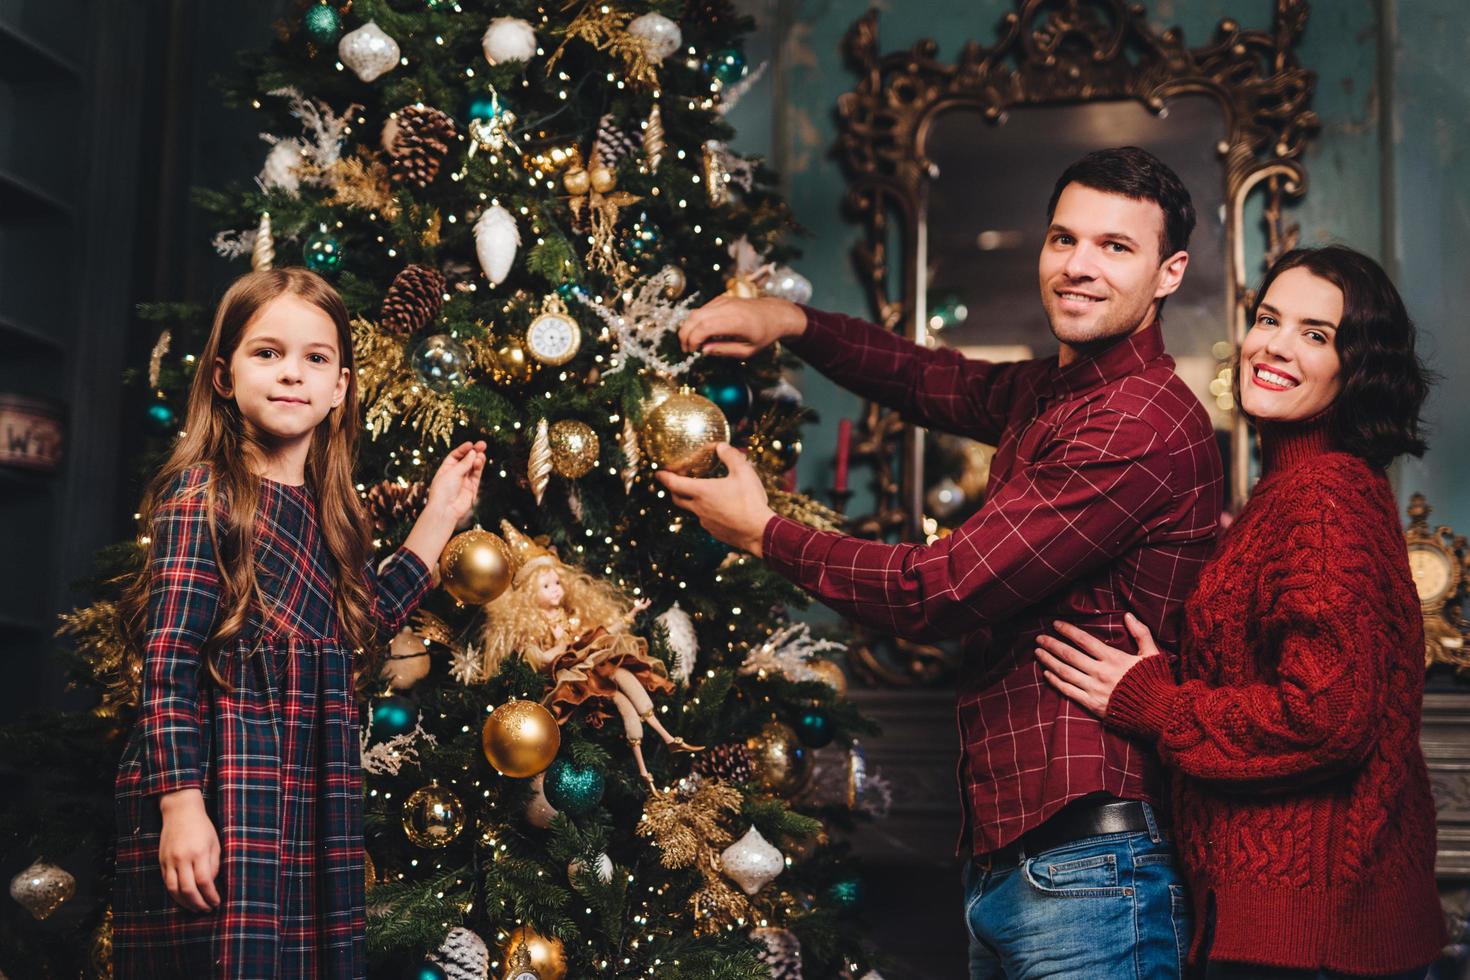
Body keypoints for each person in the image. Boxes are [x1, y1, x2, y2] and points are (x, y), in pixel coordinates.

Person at [660, 146, 1223, 977]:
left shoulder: (1137, 423)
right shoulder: (1061, 394)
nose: (1078, 266)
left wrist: (761, 533)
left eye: (1115, 247)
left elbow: (941, 590)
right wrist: (795, 324)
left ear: (1169, 273)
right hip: (1023, 865)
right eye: (1063, 239)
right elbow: (938, 381)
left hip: (1093, 872)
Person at [1034, 244, 1445, 978]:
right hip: (1295, 923)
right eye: (1268, 319)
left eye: (1316, 334)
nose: (1274, 345)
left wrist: (1156, 704)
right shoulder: (1296, 493)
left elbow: (1325, 717)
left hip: (1307, 935)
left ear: (1359, 367)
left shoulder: (1323, 497)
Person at [112, 268, 487, 979]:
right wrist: (182, 805)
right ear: (223, 377)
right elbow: (168, 665)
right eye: (268, 353)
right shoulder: (207, 496)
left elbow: (354, 630)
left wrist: (439, 518)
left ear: (341, 385)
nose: (292, 375)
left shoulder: (332, 513)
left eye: (315, 358)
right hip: (227, 784)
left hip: (312, 791)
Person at [479, 520, 700, 791]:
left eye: (557, 582)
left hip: (591, 664)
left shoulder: (567, 615)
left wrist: (631, 614)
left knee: (625, 680)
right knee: (620, 697)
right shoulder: (531, 628)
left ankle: (666, 739)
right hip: (574, 677)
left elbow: (599, 634)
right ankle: (645, 769)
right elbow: (537, 658)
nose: (556, 589)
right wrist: (556, 652)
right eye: (546, 586)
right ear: (528, 595)